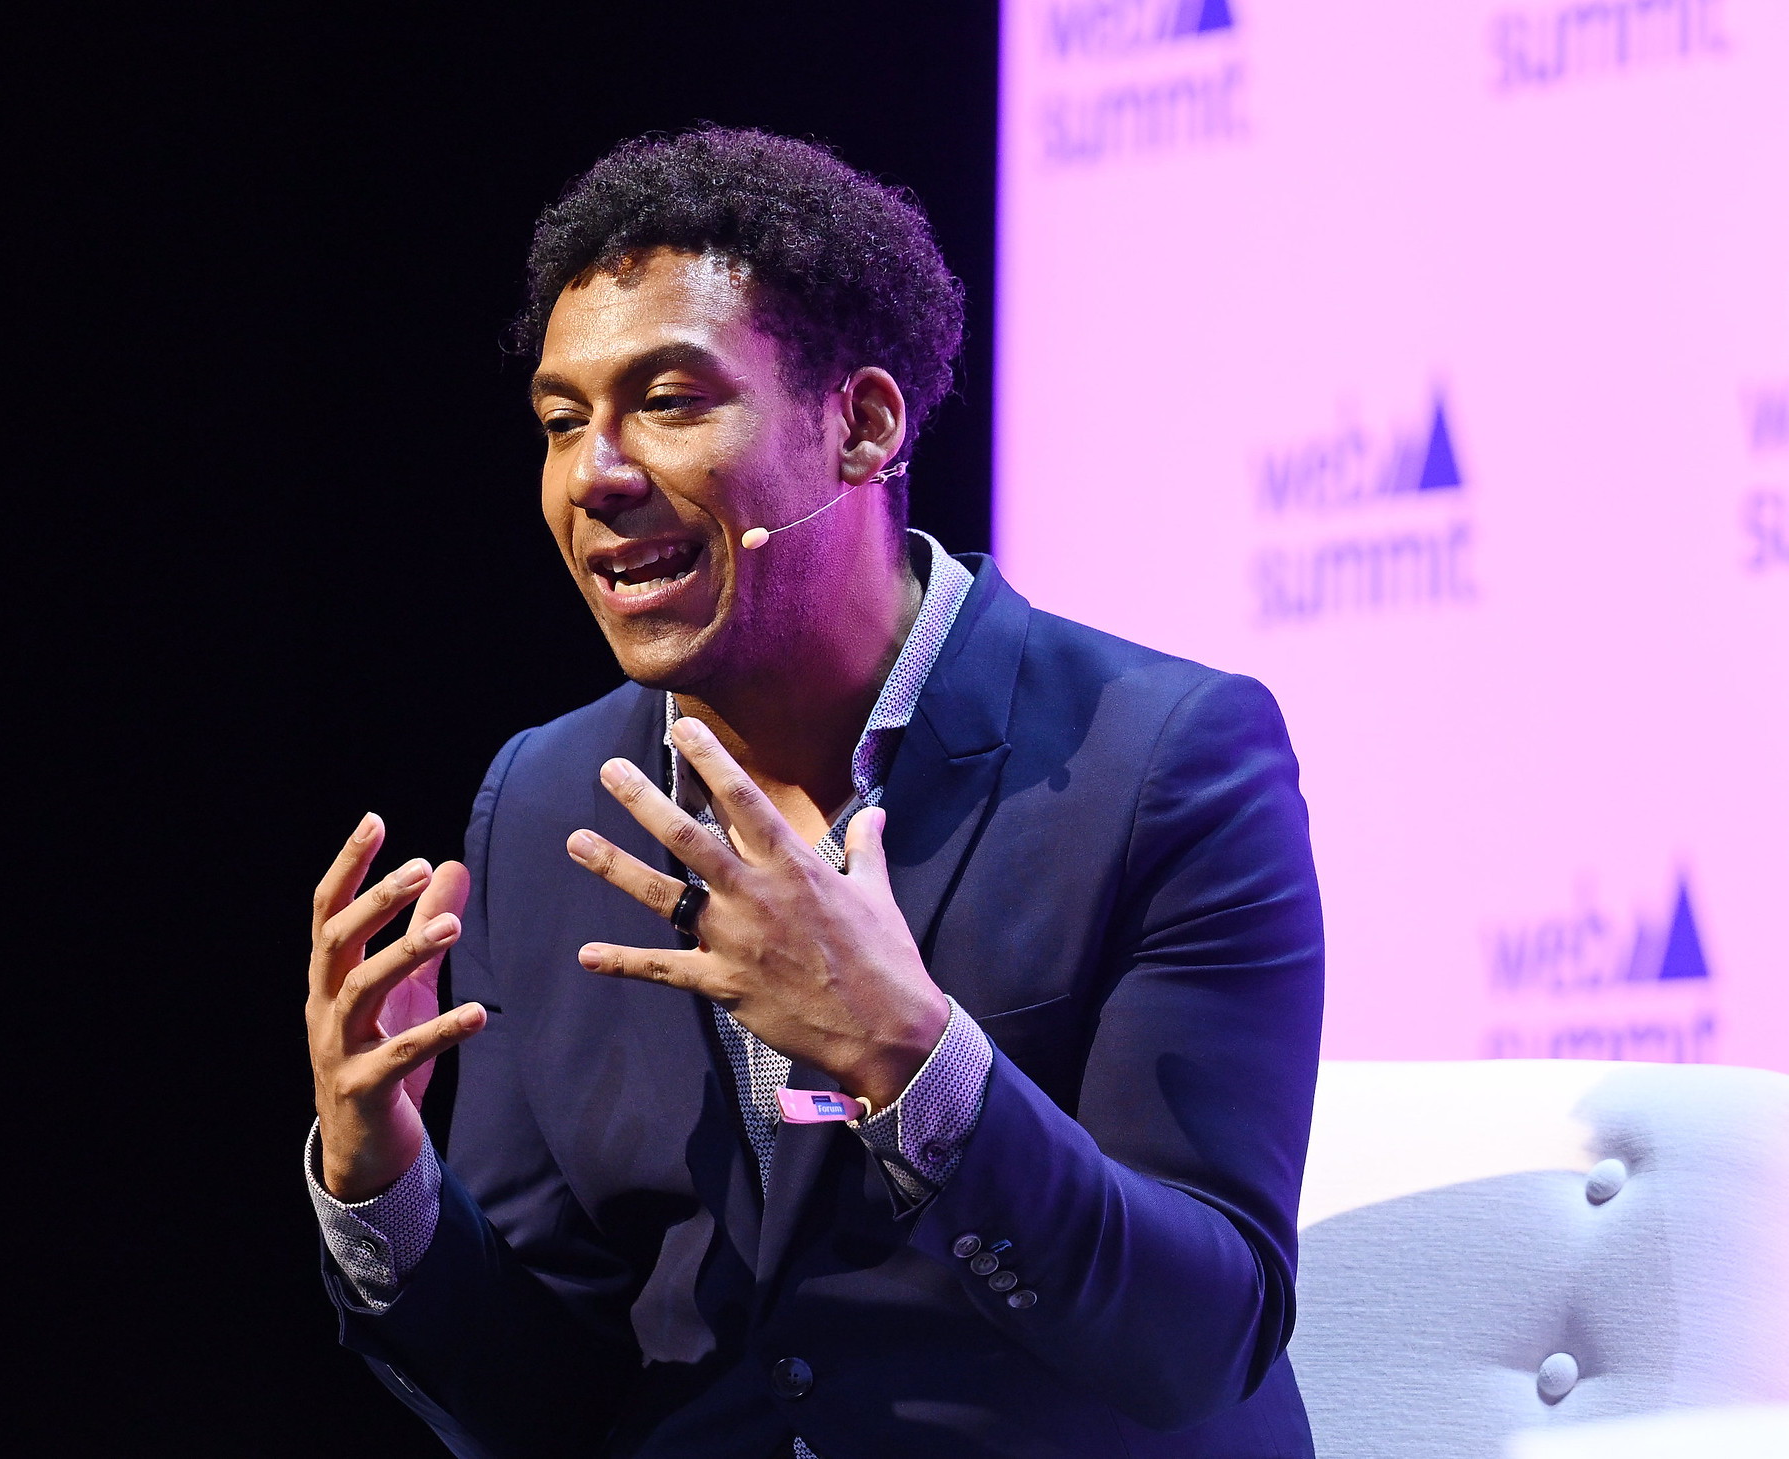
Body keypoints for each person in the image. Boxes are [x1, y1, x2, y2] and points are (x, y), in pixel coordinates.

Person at [301, 127, 1323, 1459]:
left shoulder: (1167, 759)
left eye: (667, 401)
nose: (595, 476)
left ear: (864, 426)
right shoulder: (546, 798)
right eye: (562, 422)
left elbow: (1204, 1336)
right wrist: (384, 1183)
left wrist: (912, 1057)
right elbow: (548, 1404)